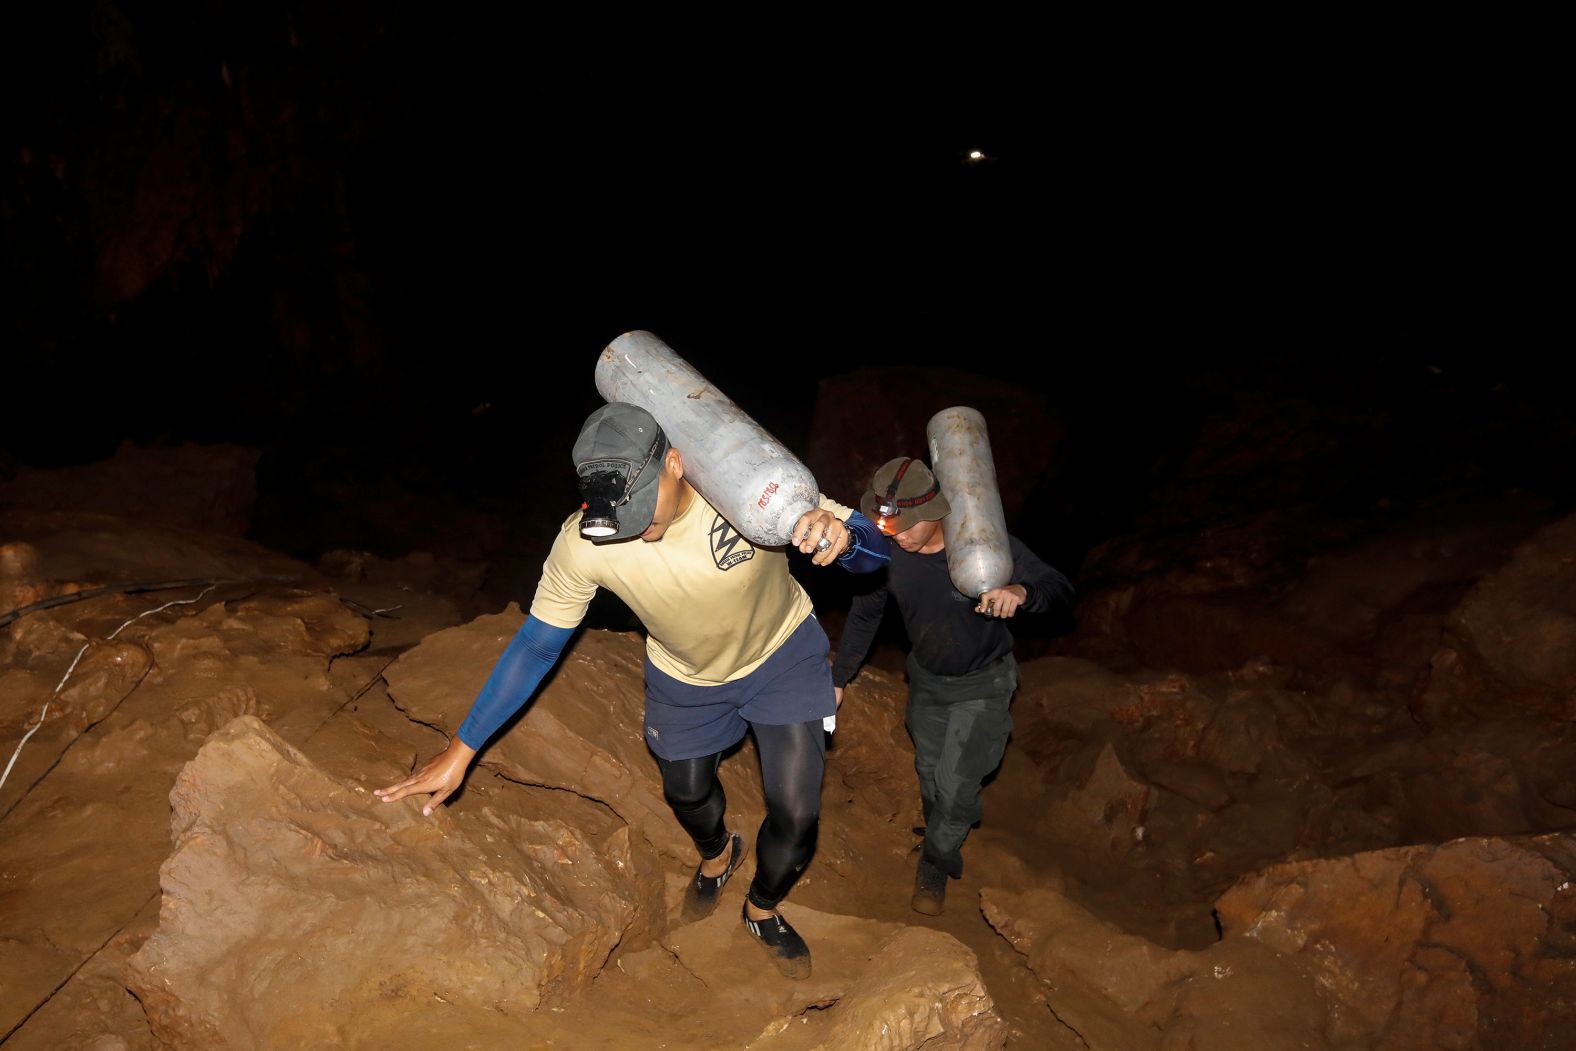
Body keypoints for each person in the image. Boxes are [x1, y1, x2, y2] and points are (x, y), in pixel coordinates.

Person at [376, 402, 886, 980]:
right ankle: (719, 854)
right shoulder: (584, 541)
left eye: (645, 510)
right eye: (621, 518)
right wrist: (461, 748)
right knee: (687, 792)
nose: (639, 530)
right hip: (685, 674)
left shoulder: (748, 487)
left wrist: (848, 540)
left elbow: (875, 556)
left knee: (796, 814)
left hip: (782, 655)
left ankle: (761, 908)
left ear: (675, 463)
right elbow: (537, 646)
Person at [831, 456, 1074, 915]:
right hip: (926, 679)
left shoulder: (982, 545)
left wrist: (1021, 592)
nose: (894, 533)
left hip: (984, 681)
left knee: (956, 782)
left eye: (904, 525)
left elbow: (1058, 587)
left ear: (933, 512)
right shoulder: (886, 553)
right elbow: (866, 615)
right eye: (887, 523)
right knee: (929, 775)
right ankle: (943, 825)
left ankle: (935, 863)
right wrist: (839, 678)